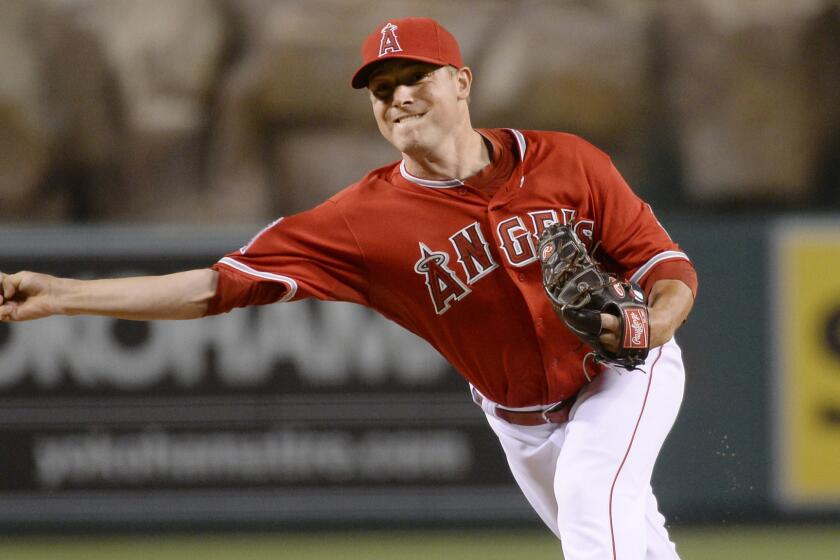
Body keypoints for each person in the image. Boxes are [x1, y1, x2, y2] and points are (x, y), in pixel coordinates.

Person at [0, 17, 696, 560]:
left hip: (621, 373)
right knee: (630, 539)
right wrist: (65, 294)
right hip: (521, 420)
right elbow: (216, 287)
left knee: (589, 502)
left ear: (461, 81)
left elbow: (667, 267)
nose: (397, 96)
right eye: (381, 88)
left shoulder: (565, 160)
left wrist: (652, 325)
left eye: (413, 76)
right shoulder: (362, 222)